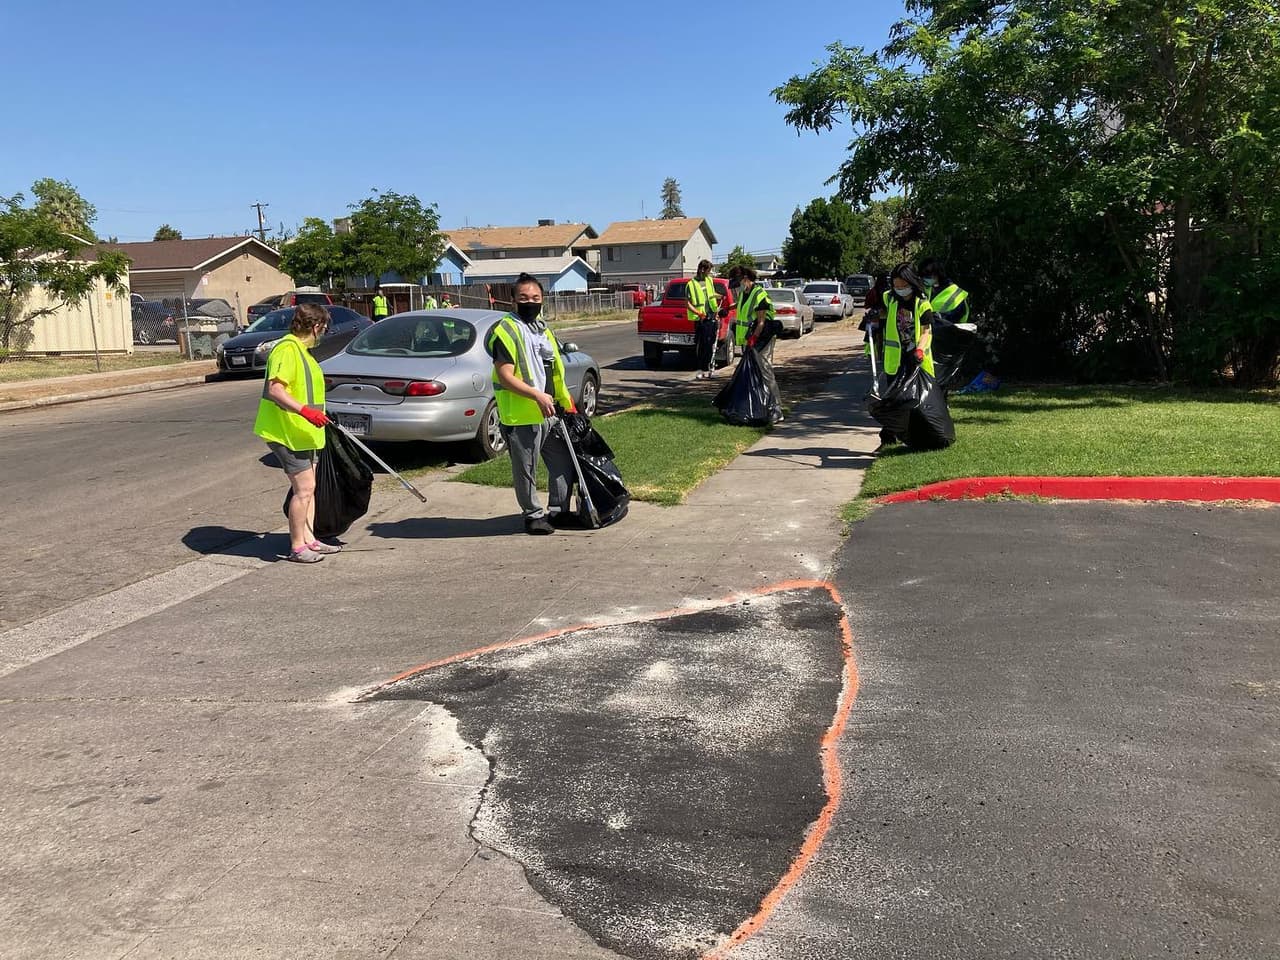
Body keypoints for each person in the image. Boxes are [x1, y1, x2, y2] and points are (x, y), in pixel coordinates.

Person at [487, 273, 578, 535]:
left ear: (542, 300)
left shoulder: (542, 329)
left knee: (562, 461)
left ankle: (559, 511)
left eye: (536, 297)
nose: (530, 302)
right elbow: (505, 376)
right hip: (523, 415)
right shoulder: (506, 331)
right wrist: (536, 395)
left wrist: (565, 402)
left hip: (551, 412)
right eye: (524, 297)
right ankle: (533, 516)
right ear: (513, 301)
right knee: (526, 469)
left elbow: (554, 370)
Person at [252, 303, 338, 563]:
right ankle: (297, 547)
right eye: (324, 328)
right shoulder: (287, 349)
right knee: (304, 488)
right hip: (287, 430)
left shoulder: (303, 352)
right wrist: (306, 411)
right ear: (316, 326)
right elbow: (275, 389)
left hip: (305, 432)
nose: (324, 333)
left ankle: (310, 539)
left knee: (309, 489)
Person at [867, 263, 937, 447]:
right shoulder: (890, 298)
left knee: (912, 402)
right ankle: (888, 438)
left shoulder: (922, 304)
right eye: (896, 286)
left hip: (916, 360)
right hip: (895, 360)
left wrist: (919, 350)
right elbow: (882, 313)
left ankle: (915, 437)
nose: (899, 289)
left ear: (912, 283)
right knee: (893, 401)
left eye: (903, 286)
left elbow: (926, 331)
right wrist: (874, 315)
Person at [734, 266, 779, 362]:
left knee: (762, 365)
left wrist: (754, 338)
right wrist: (727, 308)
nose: (737, 286)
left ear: (745, 279)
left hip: (762, 337)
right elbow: (742, 306)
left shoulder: (759, 295)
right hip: (749, 337)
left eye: (738, 282)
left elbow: (761, 322)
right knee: (751, 365)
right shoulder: (743, 293)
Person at [687, 259, 721, 379]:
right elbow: (688, 303)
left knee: (712, 344)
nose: (709, 273)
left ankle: (711, 369)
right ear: (702, 270)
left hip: (712, 316)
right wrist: (699, 313)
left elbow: (711, 294)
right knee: (702, 345)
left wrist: (720, 296)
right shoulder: (691, 284)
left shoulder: (709, 280)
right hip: (701, 319)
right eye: (708, 271)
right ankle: (701, 369)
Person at [918, 258, 970, 326]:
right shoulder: (929, 289)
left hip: (948, 331)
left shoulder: (956, 295)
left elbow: (945, 323)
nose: (923, 279)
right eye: (922, 276)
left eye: (927, 275)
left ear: (937, 273)